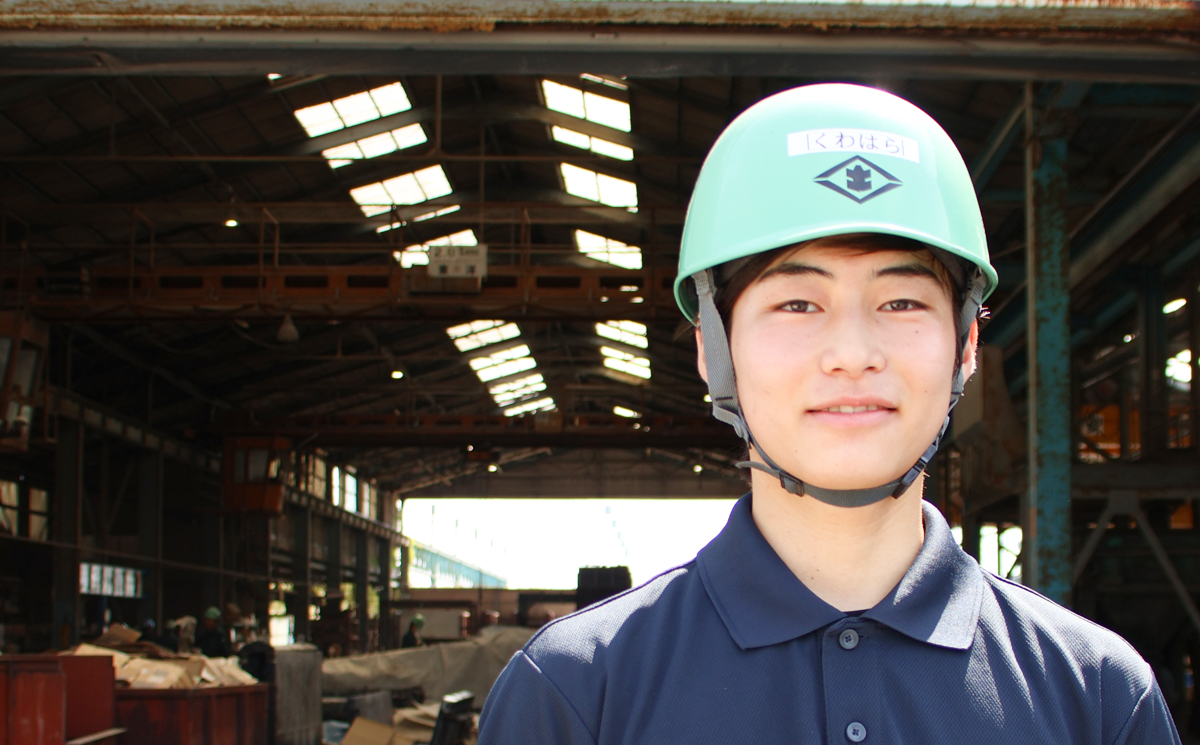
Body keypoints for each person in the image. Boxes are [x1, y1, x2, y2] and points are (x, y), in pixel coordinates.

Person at [477, 84, 1180, 743]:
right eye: (797, 303)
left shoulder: (1099, 695)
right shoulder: (576, 692)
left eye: (901, 302)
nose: (852, 354)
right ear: (714, 351)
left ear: (966, 345)